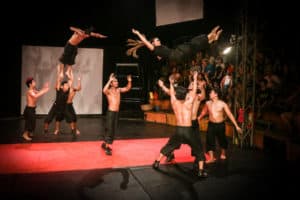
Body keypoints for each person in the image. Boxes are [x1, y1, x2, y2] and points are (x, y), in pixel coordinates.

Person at [153, 72, 208, 178]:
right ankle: (200, 170)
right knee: (198, 148)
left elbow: (172, 94)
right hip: (188, 128)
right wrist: (195, 79)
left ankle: (157, 161)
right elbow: (180, 93)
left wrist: (169, 83)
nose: (191, 86)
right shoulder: (189, 101)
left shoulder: (177, 101)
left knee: (171, 145)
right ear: (186, 92)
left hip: (183, 128)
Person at [128, 26, 222, 64]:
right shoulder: (154, 49)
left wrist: (159, 56)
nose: (159, 41)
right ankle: (210, 35)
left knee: (195, 47)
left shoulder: (158, 51)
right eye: (157, 40)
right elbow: (145, 41)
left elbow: (161, 58)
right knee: (193, 43)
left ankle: (213, 38)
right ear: (153, 43)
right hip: (177, 54)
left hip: (179, 57)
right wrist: (137, 33)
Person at [198, 87, 242, 163]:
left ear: (216, 94)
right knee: (209, 140)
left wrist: (236, 126)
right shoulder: (208, 103)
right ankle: (212, 158)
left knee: (222, 140)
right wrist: (198, 119)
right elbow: (203, 112)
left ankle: (223, 153)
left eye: (211, 93)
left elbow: (230, 114)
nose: (209, 94)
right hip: (211, 124)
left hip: (220, 125)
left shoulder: (222, 104)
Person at [102, 73, 132, 155]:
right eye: (114, 82)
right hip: (110, 113)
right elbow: (104, 90)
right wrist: (109, 80)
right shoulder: (109, 91)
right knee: (110, 129)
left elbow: (127, 88)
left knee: (113, 129)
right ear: (111, 83)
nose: (117, 83)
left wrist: (129, 81)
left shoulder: (118, 90)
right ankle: (107, 147)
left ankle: (105, 143)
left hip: (116, 113)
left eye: (117, 82)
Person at [44, 65, 70, 134]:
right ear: (62, 87)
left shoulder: (68, 91)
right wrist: (59, 71)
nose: (67, 86)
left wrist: (69, 69)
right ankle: (45, 130)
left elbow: (70, 80)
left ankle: (58, 129)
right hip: (56, 106)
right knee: (49, 118)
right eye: (66, 85)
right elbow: (58, 80)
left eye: (67, 85)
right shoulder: (59, 90)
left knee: (60, 118)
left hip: (63, 107)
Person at [64, 67, 81, 137]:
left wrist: (79, 80)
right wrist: (69, 72)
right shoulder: (66, 88)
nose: (70, 82)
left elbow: (79, 88)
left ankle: (74, 129)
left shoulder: (73, 89)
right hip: (65, 105)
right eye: (69, 82)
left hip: (70, 104)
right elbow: (70, 80)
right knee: (70, 118)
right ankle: (73, 129)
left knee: (74, 118)